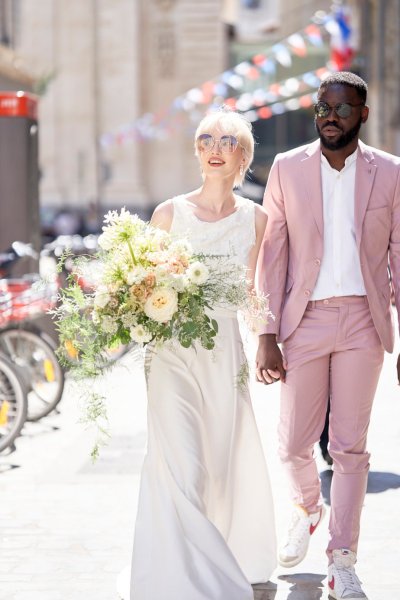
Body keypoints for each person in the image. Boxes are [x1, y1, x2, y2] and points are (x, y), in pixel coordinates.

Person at [256, 71, 400, 600]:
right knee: (294, 442)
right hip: (304, 320)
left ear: (362, 114)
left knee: (350, 449)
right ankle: (307, 506)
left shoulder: (390, 172)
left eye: (343, 109)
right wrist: (266, 330)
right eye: (323, 107)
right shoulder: (287, 168)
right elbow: (273, 254)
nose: (331, 117)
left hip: (365, 319)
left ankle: (343, 560)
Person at [126, 108, 277, 599]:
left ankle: (205, 559)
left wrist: (267, 343)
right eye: (205, 138)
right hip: (170, 356)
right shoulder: (169, 214)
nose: (214, 147)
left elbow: (254, 293)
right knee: (183, 467)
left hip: (224, 355)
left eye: (227, 141)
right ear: (196, 151)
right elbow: (139, 289)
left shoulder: (258, 220)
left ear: (243, 157)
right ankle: (200, 581)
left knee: (216, 468)